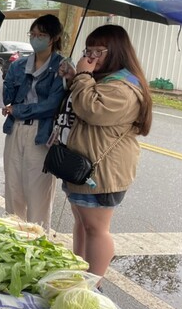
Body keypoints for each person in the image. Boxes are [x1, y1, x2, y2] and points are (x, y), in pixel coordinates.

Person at [62, 25, 152, 278]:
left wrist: (81, 76)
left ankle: (94, 283)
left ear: (115, 52)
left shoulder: (123, 87)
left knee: (96, 228)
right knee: (82, 222)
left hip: (103, 172)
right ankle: (79, 272)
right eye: (87, 50)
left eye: (97, 51)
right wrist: (74, 77)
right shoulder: (106, 80)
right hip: (87, 166)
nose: (90, 56)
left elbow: (92, 110)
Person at [1, 15, 66, 230]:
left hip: (42, 133)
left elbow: (51, 105)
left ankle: (37, 242)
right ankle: (12, 237)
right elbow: (5, 95)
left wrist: (17, 109)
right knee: (13, 187)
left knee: (38, 191)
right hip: (15, 129)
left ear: (54, 38)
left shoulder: (62, 68)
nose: (36, 39)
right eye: (33, 34)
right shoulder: (19, 65)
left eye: (42, 35)